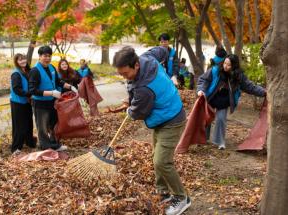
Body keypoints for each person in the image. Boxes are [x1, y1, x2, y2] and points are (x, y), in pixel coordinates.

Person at [113, 46, 191, 215]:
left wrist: (130, 108)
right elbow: (163, 50)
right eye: (121, 74)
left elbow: (139, 112)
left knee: (162, 161)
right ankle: (163, 193)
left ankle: (182, 197)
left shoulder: (144, 88)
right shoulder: (147, 57)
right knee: (156, 155)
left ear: (136, 65)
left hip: (172, 119)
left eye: (126, 74)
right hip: (162, 117)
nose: (124, 78)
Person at [197, 54, 266, 150]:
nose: (225, 66)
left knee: (221, 119)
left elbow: (250, 87)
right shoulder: (215, 70)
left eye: (228, 65)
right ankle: (203, 139)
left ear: (234, 66)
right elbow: (203, 80)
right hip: (211, 97)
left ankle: (219, 142)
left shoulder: (239, 76)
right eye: (225, 63)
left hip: (224, 100)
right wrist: (201, 90)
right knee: (206, 118)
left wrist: (264, 92)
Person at [29, 45, 77, 151]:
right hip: (40, 104)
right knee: (42, 127)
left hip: (52, 102)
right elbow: (33, 90)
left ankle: (55, 144)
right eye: (45, 56)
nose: (47, 58)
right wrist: (51, 93)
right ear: (40, 56)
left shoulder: (52, 67)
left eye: (49, 56)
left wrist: (70, 87)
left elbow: (58, 82)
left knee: (54, 124)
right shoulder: (35, 71)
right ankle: (45, 146)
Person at [10, 53, 36, 155]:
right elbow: (17, 89)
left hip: (27, 101)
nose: (23, 61)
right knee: (19, 125)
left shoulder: (28, 70)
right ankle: (16, 147)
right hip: (18, 102)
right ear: (16, 62)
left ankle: (29, 142)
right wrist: (29, 94)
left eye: (24, 59)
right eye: (20, 60)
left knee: (29, 123)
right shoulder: (16, 74)